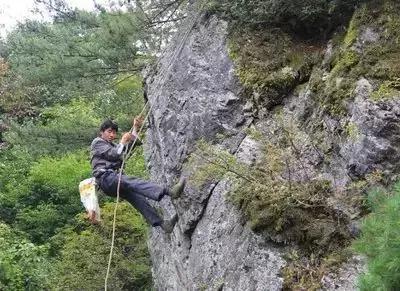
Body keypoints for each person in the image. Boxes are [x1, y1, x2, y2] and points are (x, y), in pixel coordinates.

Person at [90, 117, 185, 233]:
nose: (112, 135)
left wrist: (135, 128)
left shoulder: (113, 145)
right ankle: (170, 192)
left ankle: (164, 225)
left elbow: (130, 147)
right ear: (102, 132)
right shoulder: (98, 142)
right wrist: (123, 141)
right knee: (132, 181)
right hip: (106, 178)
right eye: (109, 132)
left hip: (112, 182)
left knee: (137, 198)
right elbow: (114, 154)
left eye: (114, 133)